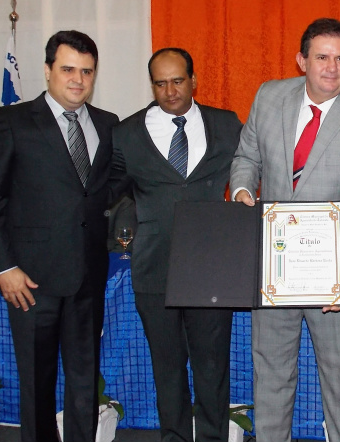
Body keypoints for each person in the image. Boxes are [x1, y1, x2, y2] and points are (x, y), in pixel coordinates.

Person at [230, 18, 340, 442]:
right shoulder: (269, 96)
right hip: (275, 269)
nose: (331, 68)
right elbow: (247, 155)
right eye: (322, 57)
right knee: (271, 379)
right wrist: (244, 191)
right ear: (302, 60)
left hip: (334, 276)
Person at [0, 30, 119, 442]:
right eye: (68, 69)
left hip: (88, 278)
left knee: (83, 382)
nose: (78, 79)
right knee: (36, 383)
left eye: (86, 71)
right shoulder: (12, 121)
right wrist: (4, 266)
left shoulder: (107, 125)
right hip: (30, 280)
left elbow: (107, 187)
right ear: (47, 70)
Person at [109, 48, 242, 442]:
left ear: (194, 80)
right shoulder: (126, 133)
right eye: (160, 82)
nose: (169, 91)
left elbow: (252, 173)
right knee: (166, 369)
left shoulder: (227, 124)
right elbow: (106, 194)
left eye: (178, 81)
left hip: (213, 268)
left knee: (212, 368)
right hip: (154, 268)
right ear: (151, 84)